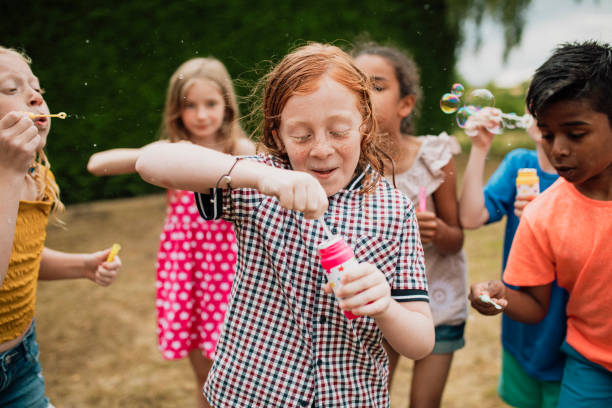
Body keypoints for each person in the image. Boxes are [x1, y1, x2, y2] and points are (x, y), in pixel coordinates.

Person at [136, 42, 435, 408]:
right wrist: (258, 177)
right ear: (277, 135)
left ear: (365, 126)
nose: (321, 149)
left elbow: (421, 342)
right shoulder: (259, 187)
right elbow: (152, 161)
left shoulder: (395, 211)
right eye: (301, 135)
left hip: (349, 399)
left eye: (339, 131)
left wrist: (386, 306)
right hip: (250, 396)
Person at [87, 57, 254, 408]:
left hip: (230, 276)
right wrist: (161, 154)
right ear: (176, 111)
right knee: (207, 381)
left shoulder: (239, 151)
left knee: (242, 377)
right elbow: (97, 163)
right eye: (189, 106)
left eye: (211, 104)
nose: (201, 115)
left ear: (227, 104)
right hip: (189, 273)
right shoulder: (171, 155)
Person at [469, 40, 612, 408]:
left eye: (575, 134)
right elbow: (535, 305)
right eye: (547, 134)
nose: (558, 149)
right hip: (591, 365)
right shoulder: (542, 214)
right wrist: (499, 296)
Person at [0, 46, 121, 407]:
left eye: (37, 88)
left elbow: (20, 257)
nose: (35, 96)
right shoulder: (11, 175)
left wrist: (81, 265)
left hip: (20, 360)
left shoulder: (33, 174)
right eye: (11, 88)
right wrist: (7, 174)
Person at [353, 43, 466, 408]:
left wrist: (437, 233)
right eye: (355, 86)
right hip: (383, 309)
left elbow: (457, 239)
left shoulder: (434, 157)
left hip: (439, 304)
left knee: (424, 403)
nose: (364, 95)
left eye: (377, 85)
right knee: (370, 398)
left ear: (406, 105)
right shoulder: (349, 169)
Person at [459, 103, 565, 408]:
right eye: (535, 104)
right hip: (522, 330)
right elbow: (471, 217)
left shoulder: (588, 178)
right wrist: (479, 149)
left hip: (570, 333)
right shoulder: (520, 164)